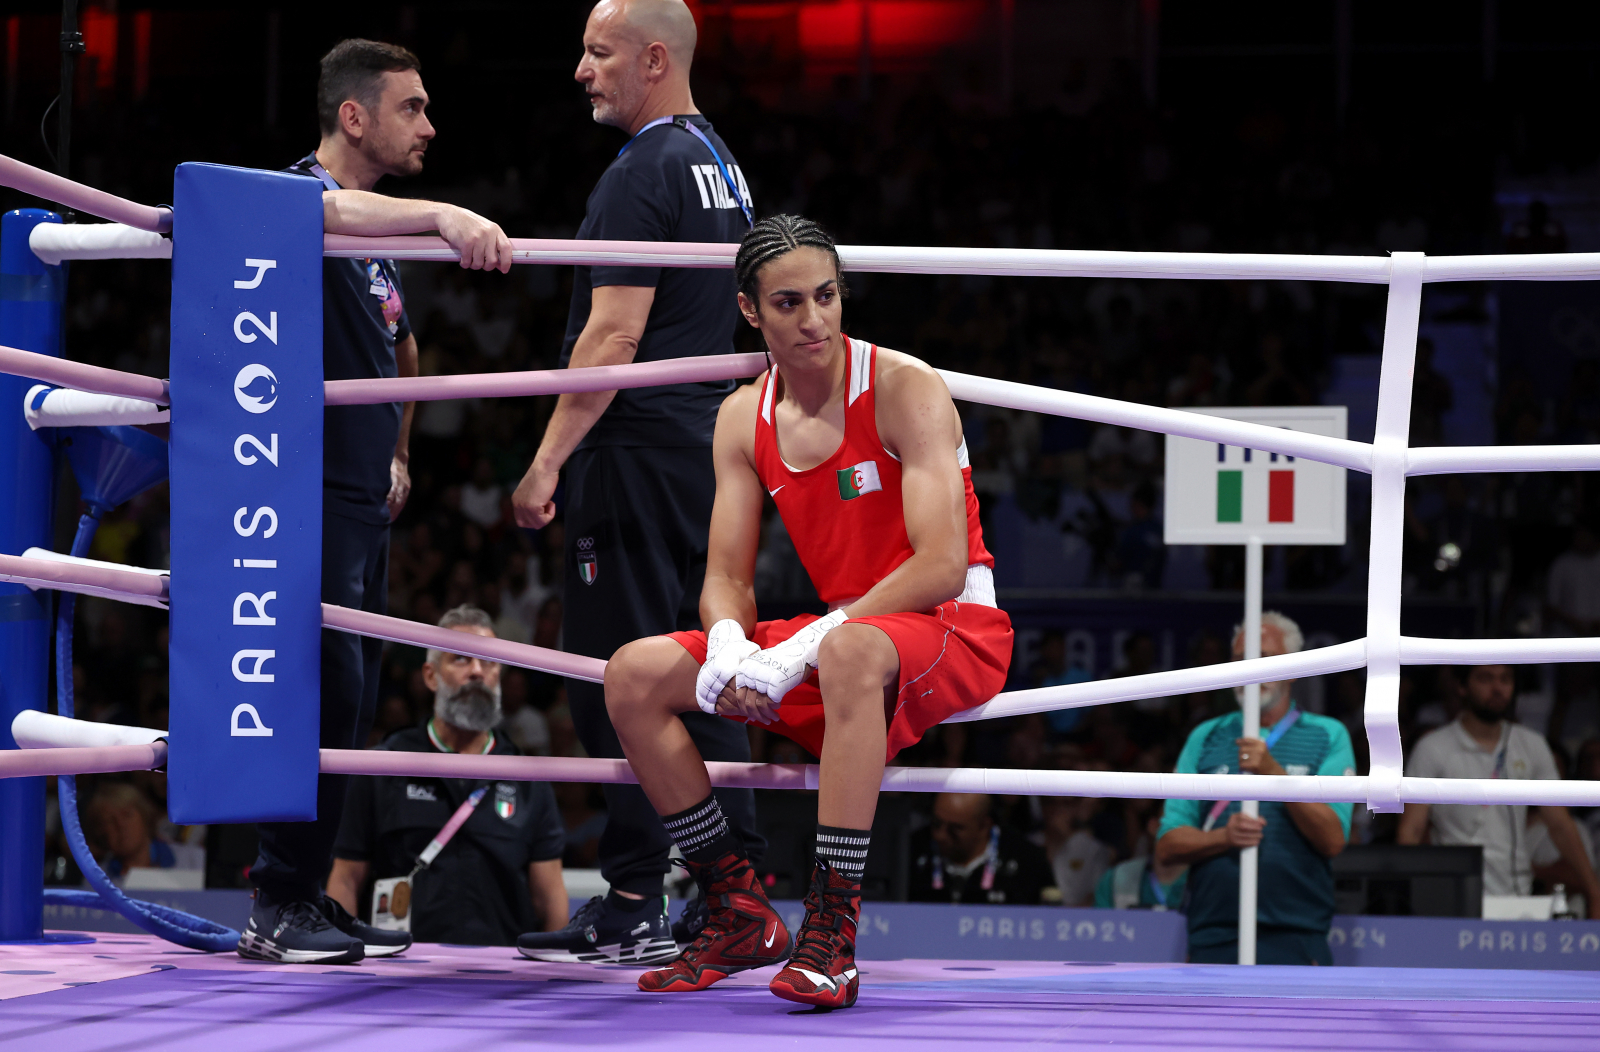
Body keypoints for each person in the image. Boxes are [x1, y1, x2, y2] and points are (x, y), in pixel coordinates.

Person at [604, 215, 1013, 1008]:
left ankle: (833, 935)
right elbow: (726, 573)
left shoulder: (904, 387)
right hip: (851, 636)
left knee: (851, 650)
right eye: (789, 303)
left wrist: (806, 648)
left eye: (826, 296)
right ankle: (736, 908)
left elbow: (940, 564)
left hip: (952, 625)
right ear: (751, 312)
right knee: (633, 674)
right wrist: (727, 646)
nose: (815, 319)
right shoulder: (740, 416)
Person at [240, 38, 515, 967]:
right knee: (314, 692)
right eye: (412, 107)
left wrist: (398, 449)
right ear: (353, 116)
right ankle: (278, 900)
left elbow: (400, 350)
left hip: (360, 497)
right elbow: (326, 208)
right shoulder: (299, 199)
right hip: (300, 490)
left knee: (345, 701)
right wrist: (443, 211)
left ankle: (303, 896)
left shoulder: (373, 249)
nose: (430, 125)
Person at [511, 0, 765, 965]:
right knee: (702, 667)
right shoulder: (721, 163)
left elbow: (614, 335)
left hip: (635, 451)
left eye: (599, 51)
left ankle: (657, 894)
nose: (582, 70)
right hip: (700, 453)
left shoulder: (645, 168)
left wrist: (547, 460)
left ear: (654, 59)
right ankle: (709, 892)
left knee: (619, 682)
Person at [327, 607, 570, 946]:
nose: (477, 671)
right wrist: (345, 966)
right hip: (396, 974)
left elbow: (549, 897)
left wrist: (551, 979)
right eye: (461, 660)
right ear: (430, 675)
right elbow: (346, 878)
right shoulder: (385, 764)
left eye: (489, 661)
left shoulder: (527, 776)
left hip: (502, 975)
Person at [1155, 611, 1355, 965]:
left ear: (1293, 668)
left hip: (1297, 933)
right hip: (1213, 932)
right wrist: (1223, 838)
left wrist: (1273, 773)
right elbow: (1169, 844)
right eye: (1241, 660)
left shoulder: (1328, 735)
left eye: (1264, 660)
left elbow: (1333, 838)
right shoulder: (1205, 737)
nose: (1251, 671)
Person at [1398, 664, 1600, 917]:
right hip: (1452, 898)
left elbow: (1560, 825)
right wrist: (1406, 902)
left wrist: (1594, 891)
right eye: (1486, 678)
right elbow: (1411, 831)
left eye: (1506, 679)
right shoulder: (1432, 747)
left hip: (1517, 898)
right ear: (1462, 687)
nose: (1498, 688)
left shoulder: (1531, 744)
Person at [908, 794, 1055, 905]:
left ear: (984, 826)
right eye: (936, 823)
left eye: (954, 829)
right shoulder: (912, 850)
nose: (940, 835)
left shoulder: (1026, 859)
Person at [1095, 805, 1188, 910]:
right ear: (1153, 826)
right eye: (1172, 821)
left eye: (1189, 822)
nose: (1179, 830)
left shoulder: (1205, 882)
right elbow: (1100, 924)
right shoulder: (1114, 879)